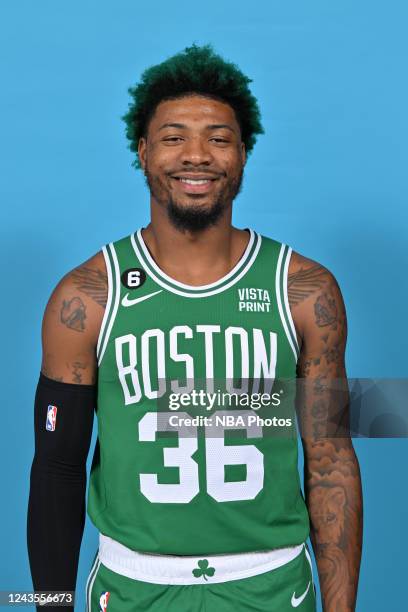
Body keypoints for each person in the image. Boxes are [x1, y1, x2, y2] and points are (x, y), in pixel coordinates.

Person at [27, 44, 362, 611]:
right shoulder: (85, 297)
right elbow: (58, 466)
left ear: (244, 154)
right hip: (133, 586)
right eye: (174, 136)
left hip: (275, 583)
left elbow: (330, 455)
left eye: (219, 138)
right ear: (143, 150)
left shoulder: (306, 290)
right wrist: (50, 605)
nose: (197, 156)